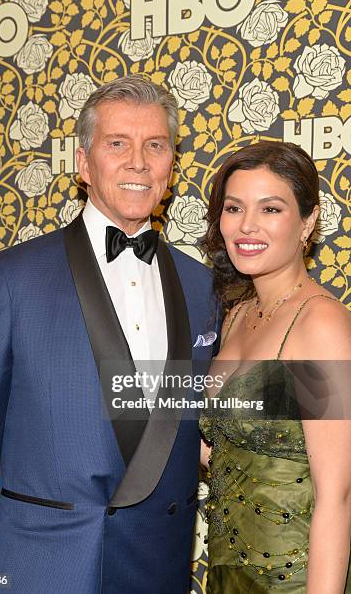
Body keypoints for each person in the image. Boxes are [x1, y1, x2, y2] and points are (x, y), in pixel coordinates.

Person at [0, 75, 221, 593]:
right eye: (118, 144)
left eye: (155, 145)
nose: (138, 161)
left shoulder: (203, 287)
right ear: (84, 162)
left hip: (157, 570)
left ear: (170, 165)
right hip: (37, 573)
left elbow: (197, 416)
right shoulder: (9, 280)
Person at [199, 141, 351, 593]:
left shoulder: (321, 325)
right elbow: (230, 453)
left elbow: (337, 497)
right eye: (234, 207)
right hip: (227, 573)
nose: (247, 226)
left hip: (295, 580)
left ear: (308, 221)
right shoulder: (237, 315)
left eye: (270, 209)